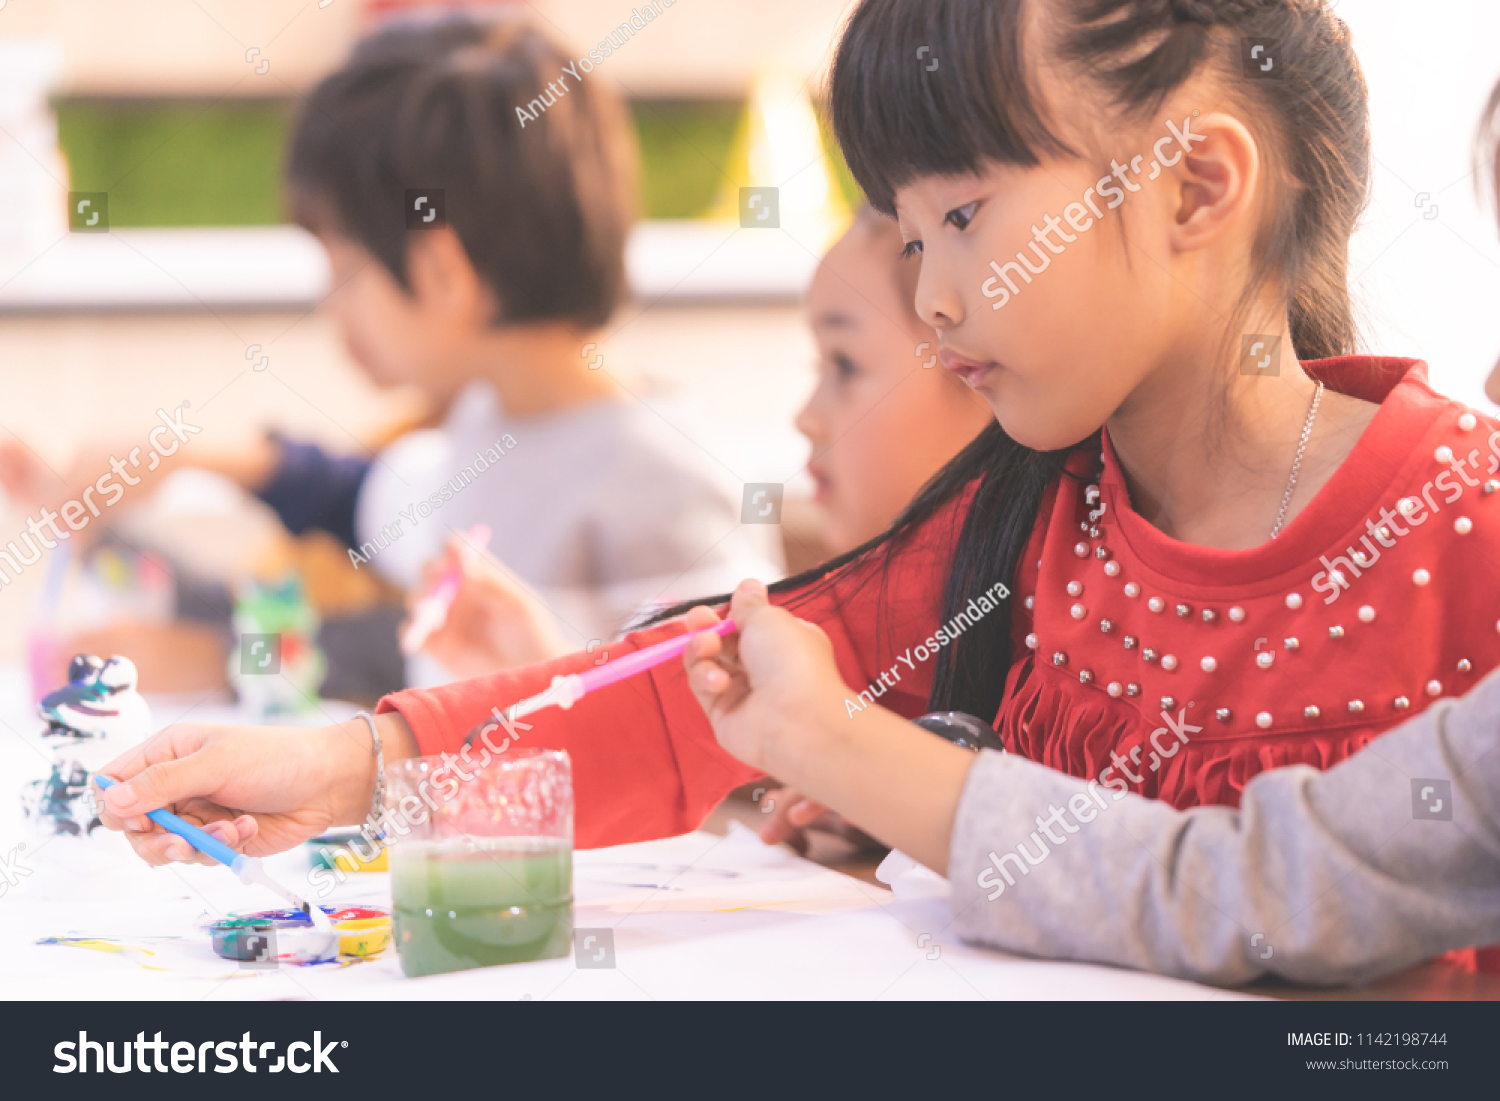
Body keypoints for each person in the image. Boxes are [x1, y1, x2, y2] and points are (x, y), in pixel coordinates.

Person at [94, 0, 1500, 981]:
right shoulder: (1026, 516)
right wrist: (352, 764)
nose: (935, 297)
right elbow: (702, 688)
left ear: (1196, 188)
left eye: (962, 218)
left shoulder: (1467, 521)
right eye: (908, 229)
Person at [0, 13, 779, 673]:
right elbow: (359, 505)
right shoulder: (490, 420)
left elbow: (708, 700)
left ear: (441, 270)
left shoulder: (666, 476)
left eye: (344, 269)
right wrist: (175, 459)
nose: (329, 306)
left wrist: (226, 656)